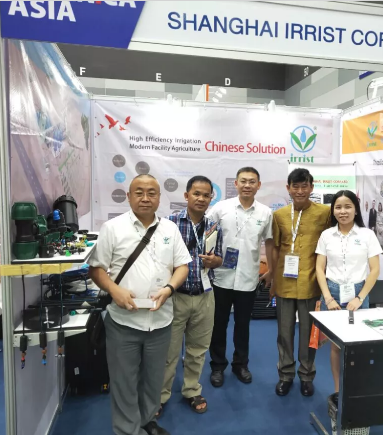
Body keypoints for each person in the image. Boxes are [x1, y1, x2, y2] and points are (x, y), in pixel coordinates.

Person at [89, 174, 191, 435]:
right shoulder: (113, 228)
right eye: (139, 192)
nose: (145, 198)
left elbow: (182, 266)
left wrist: (169, 289)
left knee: (154, 380)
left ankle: (147, 422)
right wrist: (115, 290)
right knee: (124, 381)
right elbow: (96, 269)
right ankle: (128, 430)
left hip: (161, 320)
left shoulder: (170, 229)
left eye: (151, 193)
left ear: (159, 197)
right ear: (128, 196)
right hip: (124, 321)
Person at [159, 176, 223, 416]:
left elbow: (220, 258)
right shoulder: (169, 223)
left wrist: (215, 261)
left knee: (198, 350)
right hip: (176, 296)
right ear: (186, 196)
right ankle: (160, 395)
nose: (201, 199)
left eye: (206, 195)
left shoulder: (214, 226)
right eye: (196, 193)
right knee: (168, 352)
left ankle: (191, 390)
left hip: (205, 295)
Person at [208, 167, 274, 387]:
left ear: (258, 185)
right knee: (218, 324)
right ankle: (217, 366)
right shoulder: (221, 208)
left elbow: (270, 242)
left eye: (252, 181)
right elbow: (206, 234)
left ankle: (240, 364)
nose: (247, 185)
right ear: (235, 184)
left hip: (248, 277)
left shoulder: (265, 213)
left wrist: (271, 270)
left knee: (243, 324)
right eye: (243, 181)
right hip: (221, 276)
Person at [315, 190, 381, 398]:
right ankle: (338, 392)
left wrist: (360, 298)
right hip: (332, 293)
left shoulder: (367, 235)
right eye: (338, 207)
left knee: (357, 345)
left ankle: (356, 392)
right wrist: (327, 298)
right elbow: (319, 269)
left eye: (347, 207)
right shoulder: (326, 235)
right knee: (336, 347)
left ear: (356, 209)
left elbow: (375, 270)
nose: (342, 211)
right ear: (333, 210)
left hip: (358, 293)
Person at [272, 168, 331, 397]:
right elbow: (276, 248)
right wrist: (272, 279)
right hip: (285, 282)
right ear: (288, 188)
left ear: (311, 187)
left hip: (311, 281)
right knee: (284, 332)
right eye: (295, 186)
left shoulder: (324, 213)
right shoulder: (279, 215)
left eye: (304, 186)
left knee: (308, 333)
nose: (299, 191)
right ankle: (285, 375)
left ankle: (307, 376)